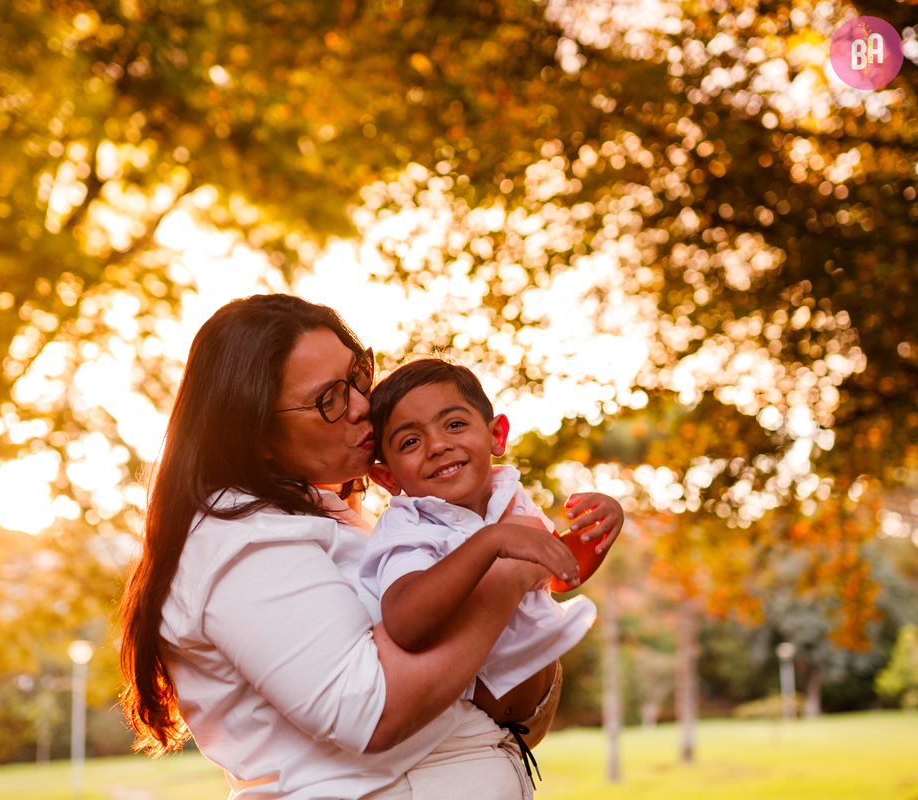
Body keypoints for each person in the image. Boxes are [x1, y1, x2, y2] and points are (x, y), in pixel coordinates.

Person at [118, 294, 621, 800]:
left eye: (357, 377)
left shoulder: (320, 513)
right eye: (329, 399)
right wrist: (511, 566)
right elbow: (370, 711)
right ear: (258, 436)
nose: (363, 405)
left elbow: (478, 684)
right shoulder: (243, 543)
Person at [360, 357, 622, 779]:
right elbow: (406, 622)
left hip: (523, 726)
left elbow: (558, 574)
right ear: (388, 479)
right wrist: (491, 543)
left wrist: (599, 530)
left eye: (455, 425)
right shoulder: (408, 526)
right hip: (461, 734)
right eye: (410, 442)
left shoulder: (511, 496)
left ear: (496, 434)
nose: (438, 445)